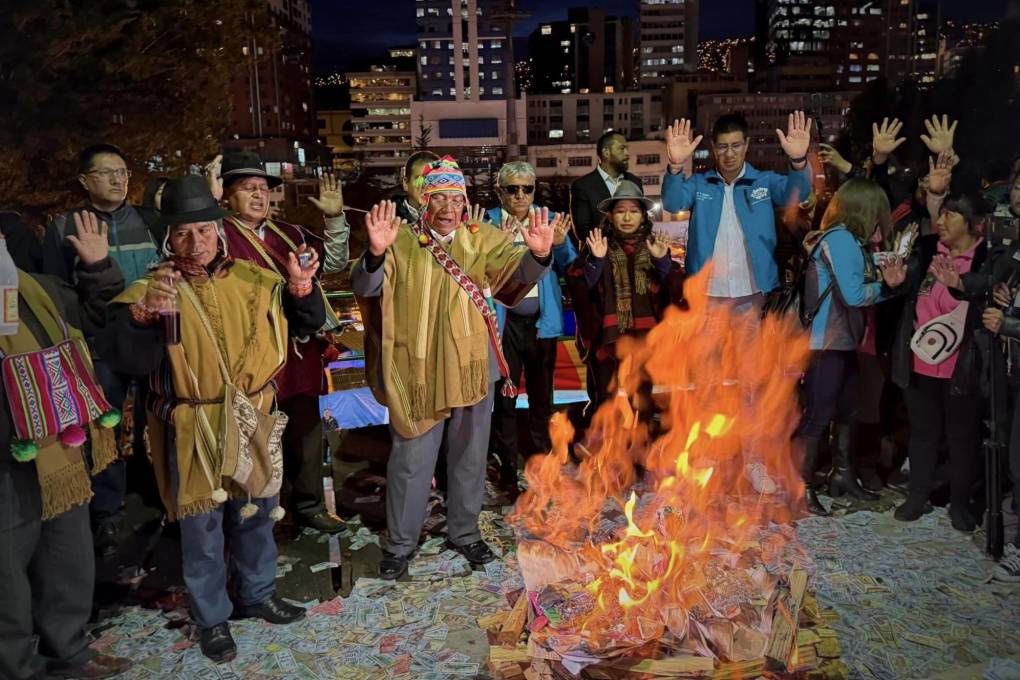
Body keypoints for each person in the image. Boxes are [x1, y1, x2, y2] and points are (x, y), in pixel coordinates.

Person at [102, 176, 325, 662]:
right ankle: (212, 618)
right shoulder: (150, 290)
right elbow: (129, 363)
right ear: (168, 239)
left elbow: (308, 322)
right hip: (192, 424)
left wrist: (302, 287)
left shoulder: (258, 280)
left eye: (203, 231)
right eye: (183, 234)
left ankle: (257, 594)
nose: (195, 243)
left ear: (219, 232)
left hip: (253, 414)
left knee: (257, 512)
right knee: (202, 527)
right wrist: (142, 318)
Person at [352, 156, 557, 580]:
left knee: (470, 456)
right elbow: (366, 288)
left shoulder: (481, 239)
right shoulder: (400, 240)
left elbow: (512, 282)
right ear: (423, 202)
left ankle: (464, 532)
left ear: (466, 203)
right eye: (439, 198)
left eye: (456, 198)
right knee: (411, 458)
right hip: (418, 369)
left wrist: (538, 256)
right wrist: (374, 254)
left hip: (472, 366)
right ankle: (401, 544)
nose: (448, 207)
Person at [1, 211, 132, 680]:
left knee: (67, 556)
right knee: (7, 577)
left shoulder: (38, 288)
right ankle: (17, 667)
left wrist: (98, 268)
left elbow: (97, 317)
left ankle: (70, 651)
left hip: (59, 446)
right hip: (9, 459)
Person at [661, 112, 813, 493]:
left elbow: (800, 194)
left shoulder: (762, 182)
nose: (728, 154)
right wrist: (676, 164)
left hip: (751, 297)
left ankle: (755, 460)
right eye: (722, 147)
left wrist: (798, 161)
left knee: (751, 382)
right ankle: (710, 456)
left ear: (746, 146)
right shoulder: (701, 184)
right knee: (708, 381)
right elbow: (673, 200)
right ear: (713, 148)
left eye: (735, 146)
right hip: (708, 298)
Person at [206, 150, 349, 533]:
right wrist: (207, 208)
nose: (258, 195)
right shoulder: (217, 234)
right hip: (248, 354)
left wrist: (335, 218)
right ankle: (260, 510)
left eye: (262, 188)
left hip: (298, 348)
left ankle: (309, 505)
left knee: (305, 430)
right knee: (254, 433)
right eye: (246, 188)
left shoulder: (291, 233)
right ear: (226, 196)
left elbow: (333, 263)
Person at [41, 143, 163, 559]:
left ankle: (164, 496)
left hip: (150, 342)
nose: (118, 179)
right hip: (100, 349)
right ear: (84, 180)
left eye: (123, 171)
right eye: (107, 172)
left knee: (159, 422)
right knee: (105, 431)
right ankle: (107, 512)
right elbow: (55, 292)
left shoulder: (151, 222)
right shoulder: (65, 229)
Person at [795, 178, 905, 516]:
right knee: (817, 416)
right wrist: (889, 289)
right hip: (825, 343)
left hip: (842, 342)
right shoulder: (840, 239)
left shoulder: (851, 241)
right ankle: (800, 487)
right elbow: (854, 295)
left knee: (847, 412)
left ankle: (842, 475)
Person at [889, 193, 988, 529]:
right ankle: (917, 496)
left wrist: (960, 283)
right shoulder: (930, 250)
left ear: (974, 224)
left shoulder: (986, 257)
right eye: (941, 214)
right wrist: (897, 283)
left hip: (962, 366)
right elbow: (905, 282)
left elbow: (985, 290)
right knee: (923, 432)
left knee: (962, 437)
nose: (942, 222)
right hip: (919, 361)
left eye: (951, 216)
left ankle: (959, 503)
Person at [487, 161, 577, 494]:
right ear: (500, 192)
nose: (521, 195)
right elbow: (478, 270)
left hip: (543, 325)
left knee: (543, 399)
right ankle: (508, 468)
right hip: (504, 325)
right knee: (505, 400)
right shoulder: (486, 224)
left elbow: (571, 266)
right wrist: (498, 244)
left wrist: (561, 244)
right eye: (513, 188)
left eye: (528, 188)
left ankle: (542, 464)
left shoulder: (550, 221)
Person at [569, 180, 683, 411]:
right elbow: (580, 288)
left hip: (645, 336)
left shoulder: (654, 245)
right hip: (607, 335)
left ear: (643, 216)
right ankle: (607, 445)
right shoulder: (597, 245)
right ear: (610, 216)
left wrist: (661, 261)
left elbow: (673, 288)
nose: (627, 218)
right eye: (621, 212)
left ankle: (640, 442)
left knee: (642, 398)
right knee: (606, 400)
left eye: (633, 211)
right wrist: (597, 260)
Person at [570, 131, 643, 245]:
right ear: (606, 152)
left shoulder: (635, 182)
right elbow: (583, 232)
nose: (627, 153)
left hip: (633, 257)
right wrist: (616, 247)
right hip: (599, 257)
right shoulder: (582, 186)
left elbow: (642, 222)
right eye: (622, 149)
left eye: (627, 149)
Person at [392, 150, 440, 224]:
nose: (426, 185)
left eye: (433, 179)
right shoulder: (386, 218)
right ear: (406, 184)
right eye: (420, 179)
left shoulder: (452, 218)